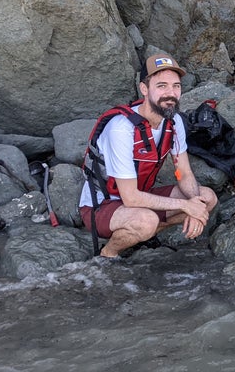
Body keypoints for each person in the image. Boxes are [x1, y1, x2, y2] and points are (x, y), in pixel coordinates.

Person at [79, 54, 217, 258]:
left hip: (141, 197)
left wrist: (195, 204)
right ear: (144, 89)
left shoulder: (174, 122)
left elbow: (184, 173)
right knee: (146, 221)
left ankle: (141, 235)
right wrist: (185, 206)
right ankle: (108, 253)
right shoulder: (122, 129)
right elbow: (131, 197)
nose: (171, 94)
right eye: (161, 86)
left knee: (208, 198)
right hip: (102, 204)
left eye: (176, 86)